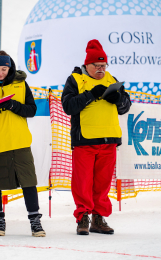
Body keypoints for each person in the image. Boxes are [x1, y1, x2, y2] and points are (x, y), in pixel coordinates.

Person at [61, 39, 131, 235]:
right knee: (82, 183)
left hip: (109, 140)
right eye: (97, 66)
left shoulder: (111, 79)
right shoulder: (75, 80)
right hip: (85, 140)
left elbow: (125, 107)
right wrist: (91, 94)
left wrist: (118, 99)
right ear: (87, 65)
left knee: (102, 183)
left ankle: (98, 218)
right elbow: (68, 106)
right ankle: (83, 217)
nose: (101, 69)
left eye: (103, 65)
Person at [0, 51, 46, 237]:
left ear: (10, 67)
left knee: (28, 181)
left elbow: (31, 110)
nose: (0, 73)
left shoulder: (21, 85)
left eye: (4, 69)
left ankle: (35, 222)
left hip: (19, 141)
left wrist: (14, 105)